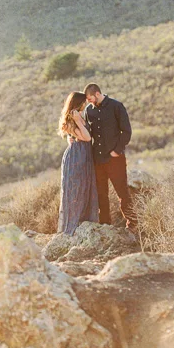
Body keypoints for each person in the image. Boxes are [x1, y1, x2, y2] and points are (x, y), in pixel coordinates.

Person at [83, 83, 136, 232]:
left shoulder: (116, 106)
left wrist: (116, 151)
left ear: (97, 94)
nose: (89, 102)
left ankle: (132, 224)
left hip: (115, 159)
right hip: (98, 161)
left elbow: (126, 131)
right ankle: (105, 226)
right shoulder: (89, 111)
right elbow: (87, 133)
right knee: (101, 195)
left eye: (90, 98)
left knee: (122, 193)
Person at [57, 91, 99, 235]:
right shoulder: (70, 121)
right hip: (76, 158)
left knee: (86, 187)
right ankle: (72, 226)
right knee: (75, 189)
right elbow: (87, 137)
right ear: (77, 104)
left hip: (85, 157)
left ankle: (84, 221)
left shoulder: (80, 116)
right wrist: (79, 121)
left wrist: (80, 120)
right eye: (83, 103)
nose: (85, 104)